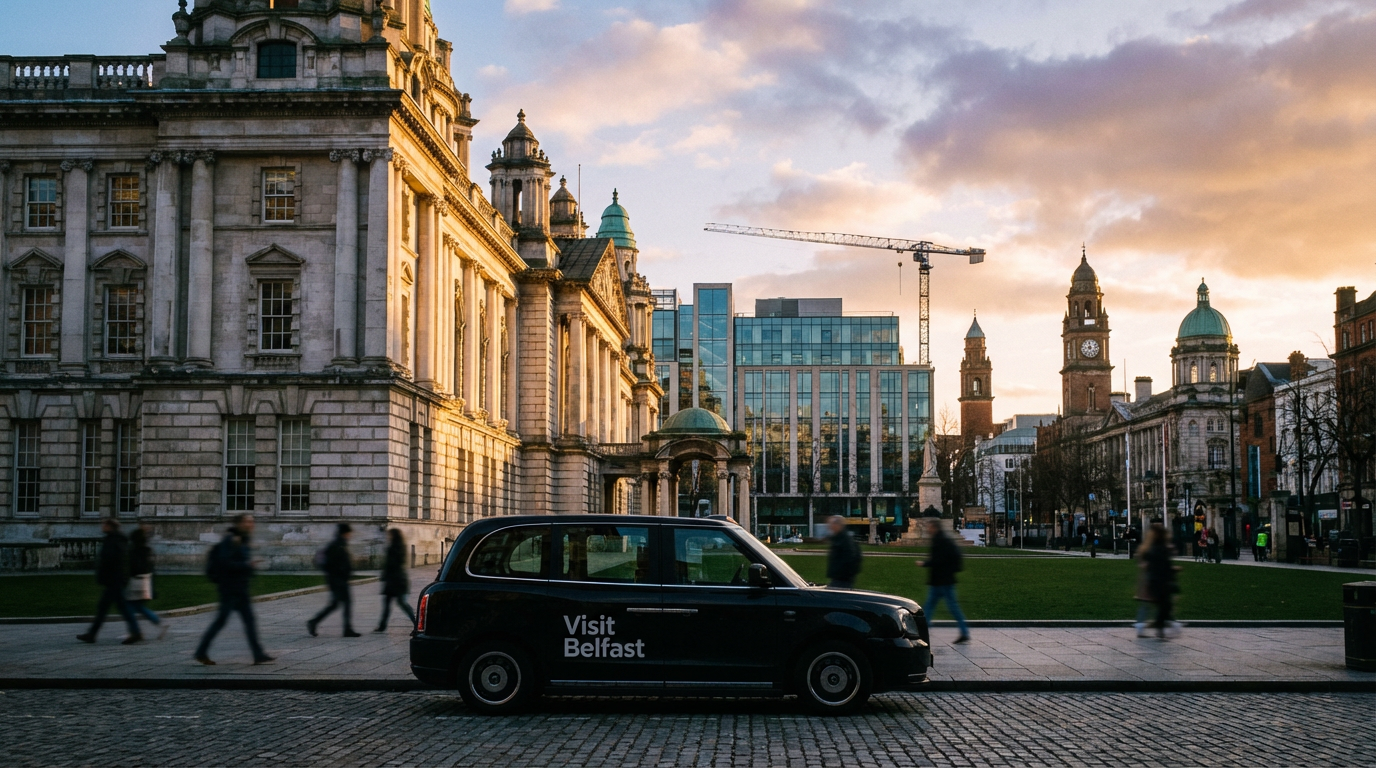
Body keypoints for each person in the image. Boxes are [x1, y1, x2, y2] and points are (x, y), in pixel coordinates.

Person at [195, 513, 273, 665]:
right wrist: (247, 565)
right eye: (247, 522)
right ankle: (201, 651)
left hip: (240, 588)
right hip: (230, 589)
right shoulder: (230, 540)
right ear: (239, 524)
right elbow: (225, 564)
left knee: (249, 621)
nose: (251, 525)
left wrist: (248, 567)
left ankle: (258, 654)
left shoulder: (242, 540)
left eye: (252, 522)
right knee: (220, 621)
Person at [76, 518, 141, 645]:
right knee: (106, 608)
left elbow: (112, 560)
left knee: (116, 608)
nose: (102, 526)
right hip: (114, 580)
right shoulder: (114, 539)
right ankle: (92, 634)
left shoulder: (115, 540)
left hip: (115, 580)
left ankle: (135, 632)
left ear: (110, 526)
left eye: (104, 524)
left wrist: (107, 574)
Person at [919, 518, 970, 644]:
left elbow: (938, 560)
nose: (928, 529)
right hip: (944, 580)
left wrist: (925, 563)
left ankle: (922, 633)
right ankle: (964, 632)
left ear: (935, 528)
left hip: (940, 581)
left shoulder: (940, 541)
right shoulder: (944, 540)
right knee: (940, 607)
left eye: (929, 527)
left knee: (932, 607)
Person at [308, 523, 360, 638]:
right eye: (349, 533)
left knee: (335, 604)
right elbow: (333, 564)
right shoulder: (337, 545)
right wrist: (342, 572)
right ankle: (347, 629)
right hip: (338, 580)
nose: (350, 535)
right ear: (345, 533)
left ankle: (314, 622)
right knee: (344, 603)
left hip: (338, 580)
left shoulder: (339, 544)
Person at [126, 525, 167, 640]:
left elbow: (134, 567)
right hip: (145, 581)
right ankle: (158, 624)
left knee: (130, 607)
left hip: (135, 582)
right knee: (138, 607)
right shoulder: (147, 550)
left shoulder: (134, 550)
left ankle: (136, 631)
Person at [1142, 523, 1180, 640]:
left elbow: (1148, 560)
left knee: (1163, 606)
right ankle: (1160, 627)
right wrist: (1173, 569)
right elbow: (1164, 564)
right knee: (1165, 606)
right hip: (1161, 581)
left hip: (1155, 580)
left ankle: (1160, 628)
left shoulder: (1153, 547)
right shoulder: (1161, 548)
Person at [375, 528, 416, 632]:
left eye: (390, 535)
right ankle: (382, 626)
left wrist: (385, 573)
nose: (388, 537)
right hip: (395, 580)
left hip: (397, 581)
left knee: (402, 603)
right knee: (389, 604)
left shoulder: (395, 548)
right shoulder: (398, 547)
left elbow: (392, 564)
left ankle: (416, 623)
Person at [825, 516, 861, 589]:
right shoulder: (839, 538)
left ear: (837, 525)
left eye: (831, 524)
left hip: (842, 580)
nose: (829, 527)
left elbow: (851, 557)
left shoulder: (844, 540)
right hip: (839, 578)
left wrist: (841, 573)